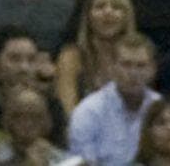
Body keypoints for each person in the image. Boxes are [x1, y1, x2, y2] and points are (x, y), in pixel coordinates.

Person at [67, 34, 160, 166]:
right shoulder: (88, 112)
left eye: (141, 66)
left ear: (153, 69)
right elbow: (83, 163)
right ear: (112, 68)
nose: (133, 73)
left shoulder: (159, 107)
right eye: (126, 65)